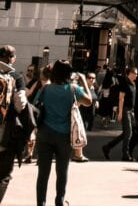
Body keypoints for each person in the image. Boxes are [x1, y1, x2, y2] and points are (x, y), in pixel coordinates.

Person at [34, 58, 90, 206]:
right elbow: (89, 101)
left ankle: (41, 203)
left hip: (45, 134)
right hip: (64, 136)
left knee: (43, 173)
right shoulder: (73, 89)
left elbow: (36, 106)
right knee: (62, 171)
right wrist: (84, 81)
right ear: (68, 73)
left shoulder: (46, 89)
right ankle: (59, 201)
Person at [0, 44, 28, 202]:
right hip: (5, 131)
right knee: (3, 174)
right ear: (13, 58)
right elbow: (20, 104)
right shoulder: (16, 76)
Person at [103, 66, 138, 161]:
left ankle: (107, 147)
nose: (136, 75)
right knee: (129, 133)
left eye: (136, 73)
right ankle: (125, 154)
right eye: (134, 73)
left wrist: (133, 111)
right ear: (129, 74)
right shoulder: (124, 83)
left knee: (126, 133)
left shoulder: (133, 84)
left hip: (130, 110)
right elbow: (121, 98)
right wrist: (120, 113)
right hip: (125, 109)